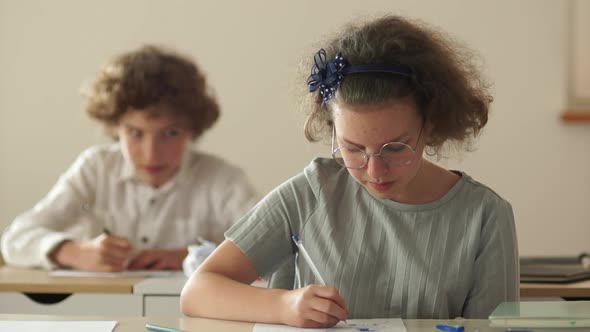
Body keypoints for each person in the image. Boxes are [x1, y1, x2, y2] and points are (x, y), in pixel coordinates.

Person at [180, 15, 518, 327]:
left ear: (429, 125)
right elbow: (198, 291)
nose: (375, 170)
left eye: (395, 148)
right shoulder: (313, 193)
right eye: (353, 149)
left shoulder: (485, 216)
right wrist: (285, 305)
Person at [1, 45, 258, 272]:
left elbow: (271, 249)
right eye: (135, 133)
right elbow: (15, 240)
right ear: (114, 127)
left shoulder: (223, 180)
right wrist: (73, 252)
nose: (151, 154)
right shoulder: (95, 168)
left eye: (170, 133)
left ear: (192, 129)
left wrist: (197, 256)